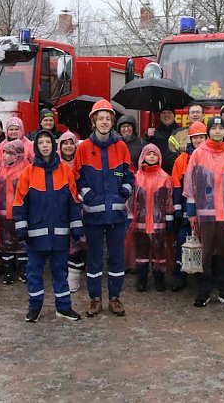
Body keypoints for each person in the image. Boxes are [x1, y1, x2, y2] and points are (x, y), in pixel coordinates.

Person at [14, 130, 83, 322]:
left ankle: (64, 308)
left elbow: (73, 202)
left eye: (48, 142)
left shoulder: (65, 171)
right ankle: (34, 308)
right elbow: (19, 203)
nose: (45, 145)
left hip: (60, 234)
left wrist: (76, 228)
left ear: (54, 146)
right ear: (36, 146)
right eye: (41, 142)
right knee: (34, 272)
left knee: (61, 272)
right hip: (35, 236)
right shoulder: (28, 172)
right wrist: (21, 228)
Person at [74, 99, 135, 317]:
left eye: (108, 119)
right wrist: (88, 196)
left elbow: (129, 175)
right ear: (93, 122)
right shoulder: (84, 149)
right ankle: (95, 299)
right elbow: (77, 178)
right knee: (94, 259)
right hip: (93, 216)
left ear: (112, 122)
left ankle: (115, 298)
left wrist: (124, 192)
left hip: (117, 215)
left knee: (117, 258)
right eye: (100, 118)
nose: (104, 122)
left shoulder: (121, 147)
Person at [183, 115, 224, 307]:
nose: (217, 132)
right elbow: (190, 186)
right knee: (206, 254)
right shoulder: (198, 154)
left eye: (221, 129)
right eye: (214, 128)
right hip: (205, 215)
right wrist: (191, 212)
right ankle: (204, 292)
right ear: (208, 131)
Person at [129, 144, 174, 292]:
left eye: (155, 154)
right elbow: (130, 201)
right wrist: (130, 218)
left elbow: (169, 200)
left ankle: (159, 280)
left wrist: (169, 218)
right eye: (149, 154)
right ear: (143, 157)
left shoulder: (165, 178)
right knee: (141, 253)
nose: (152, 156)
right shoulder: (136, 178)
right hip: (140, 222)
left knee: (159, 253)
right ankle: (141, 280)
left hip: (158, 223)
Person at [170, 122, 207, 292]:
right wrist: (178, 209)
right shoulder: (181, 159)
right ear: (190, 139)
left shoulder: (212, 156)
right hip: (187, 208)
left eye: (201, 137)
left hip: (208, 208)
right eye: (196, 138)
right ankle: (180, 276)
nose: (199, 140)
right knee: (182, 242)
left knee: (206, 242)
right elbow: (176, 185)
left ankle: (204, 277)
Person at [0, 139, 31, 285]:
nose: (5, 156)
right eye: (4, 153)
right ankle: (7, 270)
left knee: (21, 242)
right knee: (5, 242)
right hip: (3, 212)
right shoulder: (2, 168)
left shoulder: (26, 169)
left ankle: (23, 270)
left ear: (17, 154)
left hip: (20, 213)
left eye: (8, 153)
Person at [58, 132, 85, 293]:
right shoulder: (55, 164)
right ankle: (63, 276)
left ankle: (74, 278)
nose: (68, 146)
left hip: (79, 207)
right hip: (60, 209)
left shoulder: (81, 163)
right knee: (62, 243)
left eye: (71, 143)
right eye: (64, 143)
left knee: (79, 242)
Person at [145, 108, 180, 173]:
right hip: (159, 173)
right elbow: (147, 152)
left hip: (177, 171)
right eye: (163, 113)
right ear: (160, 117)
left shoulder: (181, 132)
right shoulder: (154, 133)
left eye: (169, 113)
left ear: (174, 116)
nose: (166, 115)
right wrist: (148, 138)